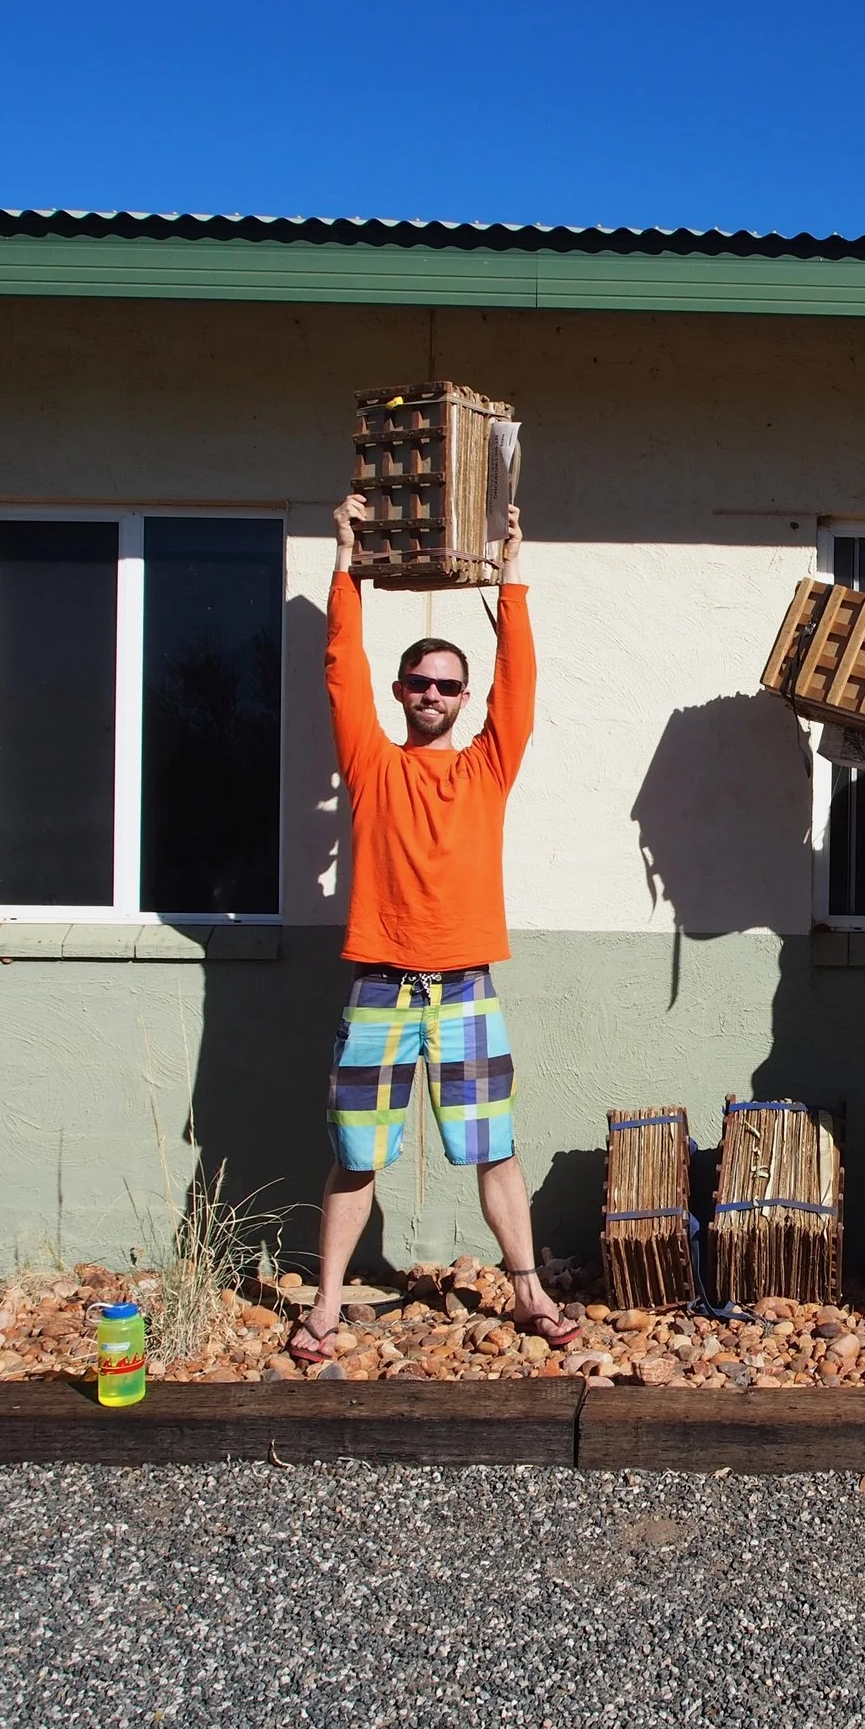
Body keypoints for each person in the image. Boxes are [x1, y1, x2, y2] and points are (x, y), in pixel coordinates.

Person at [289, 495, 577, 1366]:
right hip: (379, 986)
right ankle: (328, 1303)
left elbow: (517, 683)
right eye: (421, 682)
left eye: (450, 685)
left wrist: (512, 569)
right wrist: (345, 556)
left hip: (464, 989)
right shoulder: (372, 765)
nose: (435, 694)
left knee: (493, 1149)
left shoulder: (488, 766)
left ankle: (528, 1288)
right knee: (355, 1155)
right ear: (401, 691)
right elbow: (340, 665)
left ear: (463, 697)